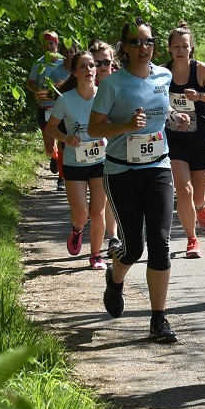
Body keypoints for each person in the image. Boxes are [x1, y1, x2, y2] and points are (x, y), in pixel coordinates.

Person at [89, 18, 190, 344]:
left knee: (160, 244)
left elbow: (162, 111)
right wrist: (127, 125)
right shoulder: (112, 85)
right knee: (134, 246)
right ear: (125, 49)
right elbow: (94, 129)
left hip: (158, 166)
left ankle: (158, 319)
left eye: (148, 42)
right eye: (135, 42)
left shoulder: (163, 75)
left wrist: (175, 118)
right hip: (121, 171)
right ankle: (115, 279)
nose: (143, 48)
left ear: (154, 46)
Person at [165, 21, 205, 259]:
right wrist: (171, 112)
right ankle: (192, 240)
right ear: (169, 49)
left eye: (184, 46)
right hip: (174, 137)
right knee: (184, 189)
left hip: (200, 137)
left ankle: (202, 206)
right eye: (176, 46)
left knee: (198, 195)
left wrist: (200, 95)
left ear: (191, 48)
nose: (180, 50)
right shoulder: (162, 72)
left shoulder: (200, 69)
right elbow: (155, 99)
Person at [47, 50, 108, 269]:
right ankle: (78, 229)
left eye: (92, 65)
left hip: (101, 161)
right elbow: (51, 127)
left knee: (98, 211)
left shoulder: (104, 95)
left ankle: (96, 255)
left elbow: (116, 123)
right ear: (74, 72)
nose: (89, 70)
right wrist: (65, 138)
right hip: (74, 162)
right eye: (82, 66)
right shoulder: (66, 100)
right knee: (82, 213)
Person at [27, 31, 70, 190]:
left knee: (63, 143)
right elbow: (30, 83)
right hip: (44, 107)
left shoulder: (64, 62)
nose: (49, 46)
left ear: (57, 45)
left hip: (61, 106)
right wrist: (39, 90)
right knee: (48, 148)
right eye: (45, 43)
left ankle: (61, 179)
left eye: (51, 43)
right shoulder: (39, 63)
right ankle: (54, 157)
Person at [90, 39, 121, 256]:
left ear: (113, 62)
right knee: (96, 199)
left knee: (111, 194)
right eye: (97, 62)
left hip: (117, 146)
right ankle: (81, 225)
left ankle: (113, 237)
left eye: (106, 62)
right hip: (90, 148)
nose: (102, 67)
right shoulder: (86, 86)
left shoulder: (121, 83)